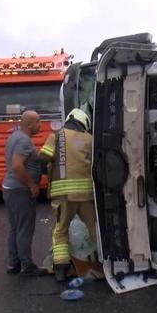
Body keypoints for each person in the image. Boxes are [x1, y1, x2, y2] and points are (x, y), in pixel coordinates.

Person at [39, 108, 97, 282]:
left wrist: (50, 171)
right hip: (86, 195)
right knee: (95, 229)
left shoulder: (56, 136)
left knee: (60, 231)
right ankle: (106, 263)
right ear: (84, 123)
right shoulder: (89, 139)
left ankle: (61, 269)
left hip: (62, 196)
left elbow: (43, 159)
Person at [3, 110, 44, 276]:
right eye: (38, 122)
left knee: (15, 227)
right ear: (29, 124)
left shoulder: (14, 136)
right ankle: (27, 266)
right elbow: (17, 165)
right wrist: (32, 185)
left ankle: (13, 264)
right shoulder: (24, 140)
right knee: (24, 229)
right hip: (20, 190)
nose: (40, 125)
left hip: (10, 188)